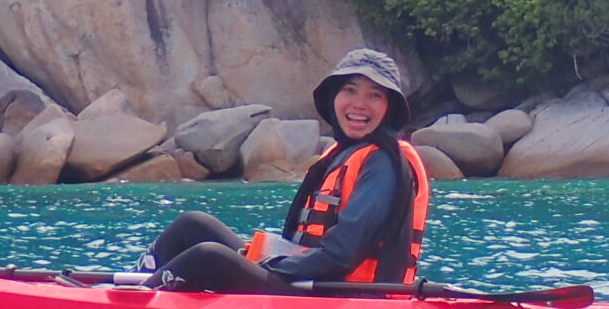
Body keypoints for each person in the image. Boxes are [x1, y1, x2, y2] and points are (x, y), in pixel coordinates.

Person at [140, 49, 430, 294]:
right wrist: (270, 262)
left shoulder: (384, 163)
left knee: (208, 257)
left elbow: (341, 256)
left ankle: (135, 308)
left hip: (348, 299)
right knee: (194, 225)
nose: (359, 104)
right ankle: (123, 292)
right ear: (334, 98)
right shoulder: (342, 154)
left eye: (375, 95)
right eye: (350, 90)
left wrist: (267, 266)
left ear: (389, 108)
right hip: (314, 283)